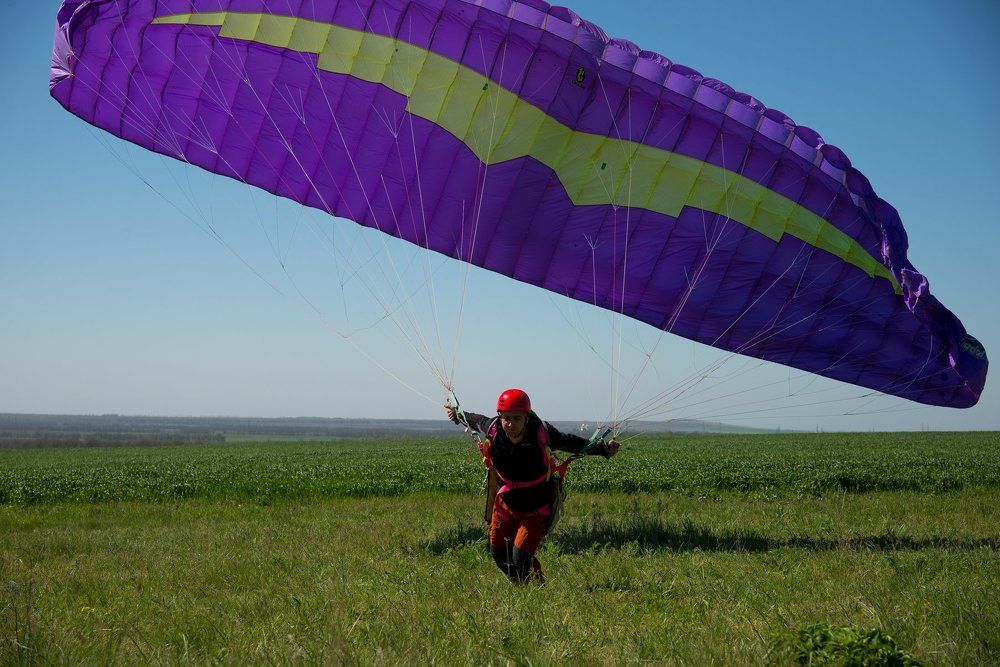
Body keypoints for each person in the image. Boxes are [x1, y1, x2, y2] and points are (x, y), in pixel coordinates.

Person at [446, 388, 619, 583]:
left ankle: (532, 588)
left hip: (536, 507)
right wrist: (456, 415)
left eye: (517, 419)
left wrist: (604, 449)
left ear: (526, 417)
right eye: (506, 418)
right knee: (498, 553)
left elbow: (573, 443)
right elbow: (472, 419)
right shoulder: (493, 428)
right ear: (500, 417)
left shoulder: (541, 432)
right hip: (506, 503)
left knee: (520, 557)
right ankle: (524, 586)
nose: (510, 424)